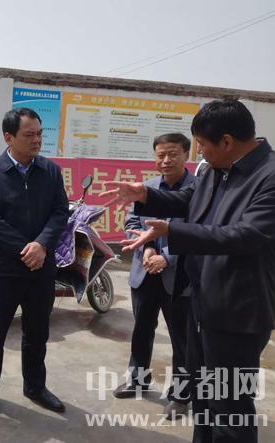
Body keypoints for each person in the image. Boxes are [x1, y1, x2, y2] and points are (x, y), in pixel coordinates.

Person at [101, 99, 275, 443]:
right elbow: (188, 200)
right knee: (204, 398)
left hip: (238, 311)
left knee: (230, 407)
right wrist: (145, 195)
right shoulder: (214, 170)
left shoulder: (268, 176)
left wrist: (172, 231)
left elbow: (246, 235)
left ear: (227, 142)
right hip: (202, 302)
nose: (200, 153)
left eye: (201, 145)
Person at [0, 108, 69, 423]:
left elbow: (60, 212)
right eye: (29, 135)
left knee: (37, 333)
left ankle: (35, 387)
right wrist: (25, 249)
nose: (37, 140)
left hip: (41, 269)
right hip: (3, 270)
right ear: (9, 137)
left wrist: (41, 245)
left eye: (39, 134)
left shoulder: (50, 171)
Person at [113, 133, 196, 419]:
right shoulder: (146, 188)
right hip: (145, 273)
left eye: (173, 153)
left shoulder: (198, 191)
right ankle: (137, 379)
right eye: (161, 155)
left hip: (180, 279)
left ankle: (181, 396)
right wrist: (147, 250)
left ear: (187, 154)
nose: (166, 160)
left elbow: (198, 233)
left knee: (182, 340)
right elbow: (131, 223)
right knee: (142, 330)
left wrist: (167, 257)